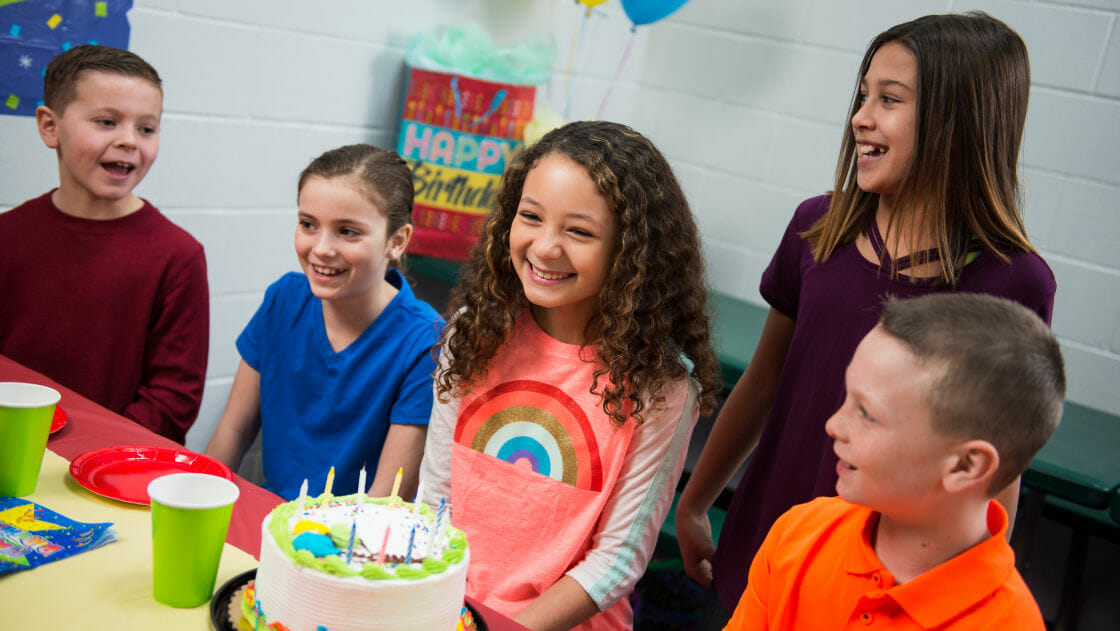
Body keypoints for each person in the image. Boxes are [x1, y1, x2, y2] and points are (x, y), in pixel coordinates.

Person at [675, 12, 1058, 626]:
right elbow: (765, 381)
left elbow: (1000, 460)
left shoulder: (1014, 279)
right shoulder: (817, 230)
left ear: (956, 122)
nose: (861, 116)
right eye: (862, 96)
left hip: (898, 583)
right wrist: (695, 502)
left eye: (890, 99)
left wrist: (984, 579)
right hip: (773, 538)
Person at [418, 120, 723, 631]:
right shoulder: (473, 333)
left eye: (578, 231)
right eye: (530, 217)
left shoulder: (662, 388)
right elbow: (435, 498)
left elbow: (616, 562)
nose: (544, 247)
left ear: (632, 252)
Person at [723, 292, 1065, 629]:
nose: (833, 426)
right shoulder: (800, 533)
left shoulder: (1007, 623)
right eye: (847, 398)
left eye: (866, 413)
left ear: (965, 466)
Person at [204, 144, 443, 501]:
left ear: (397, 241)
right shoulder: (283, 299)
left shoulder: (427, 341)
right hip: (270, 521)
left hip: (347, 543)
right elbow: (234, 430)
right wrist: (195, 500)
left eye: (347, 231)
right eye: (308, 225)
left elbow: (386, 498)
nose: (321, 248)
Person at [0, 45, 208, 443]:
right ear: (50, 126)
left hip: (112, 468)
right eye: (107, 121)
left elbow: (173, 399)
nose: (130, 140)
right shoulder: (7, 236)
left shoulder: (177, 256)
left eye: (146, 128)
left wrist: (89, 451)